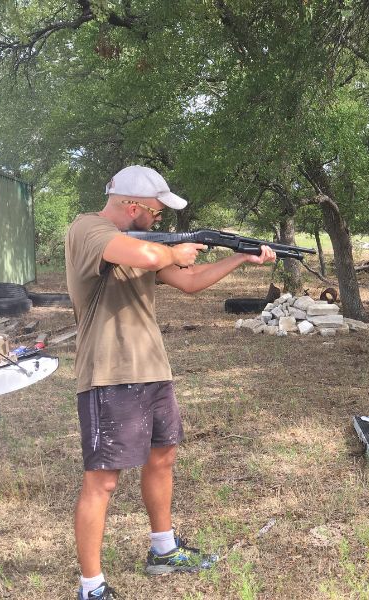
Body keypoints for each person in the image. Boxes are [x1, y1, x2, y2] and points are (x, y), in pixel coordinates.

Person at [65, 165, 276, 599]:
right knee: (102, 480)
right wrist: (175, 251)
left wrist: (240, 255)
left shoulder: (144, 244)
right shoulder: (90, 229)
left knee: (162, 458)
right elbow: (148, 257)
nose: (160, 218)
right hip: (109, 372)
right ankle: (91, 587)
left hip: (151, 369)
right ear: (132, 205)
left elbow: (191, 281)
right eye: (157, 211)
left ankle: (163, 550)